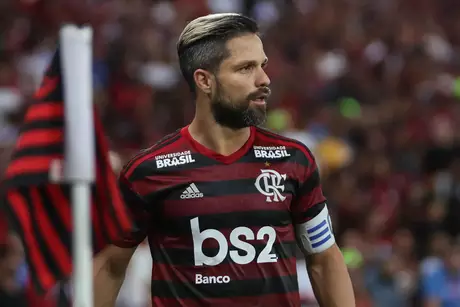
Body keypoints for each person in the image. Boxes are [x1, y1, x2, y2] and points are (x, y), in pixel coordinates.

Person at [94, 13, 354, 307]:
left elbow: (323, 258)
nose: (264, 79)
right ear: (205, 80)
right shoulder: (148, 172)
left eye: (262, 66)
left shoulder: (294, 160)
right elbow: (109, 266)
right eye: (245, 68)